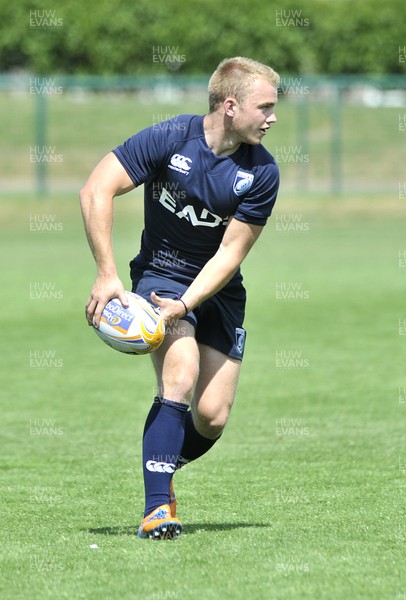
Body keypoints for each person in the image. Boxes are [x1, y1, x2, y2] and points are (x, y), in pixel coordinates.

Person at [80, 57, 280, 540]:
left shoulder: (262, 172)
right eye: (266, 107)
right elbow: (96, 189)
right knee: (181, 372)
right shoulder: (170, 139)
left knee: (211, 418)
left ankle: (162, 465)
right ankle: (157, 510)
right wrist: (108, 274)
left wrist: (187, 304)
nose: (273, 118)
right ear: (230, 106)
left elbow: (229, 255)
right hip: (160, 273)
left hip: (216, 289)